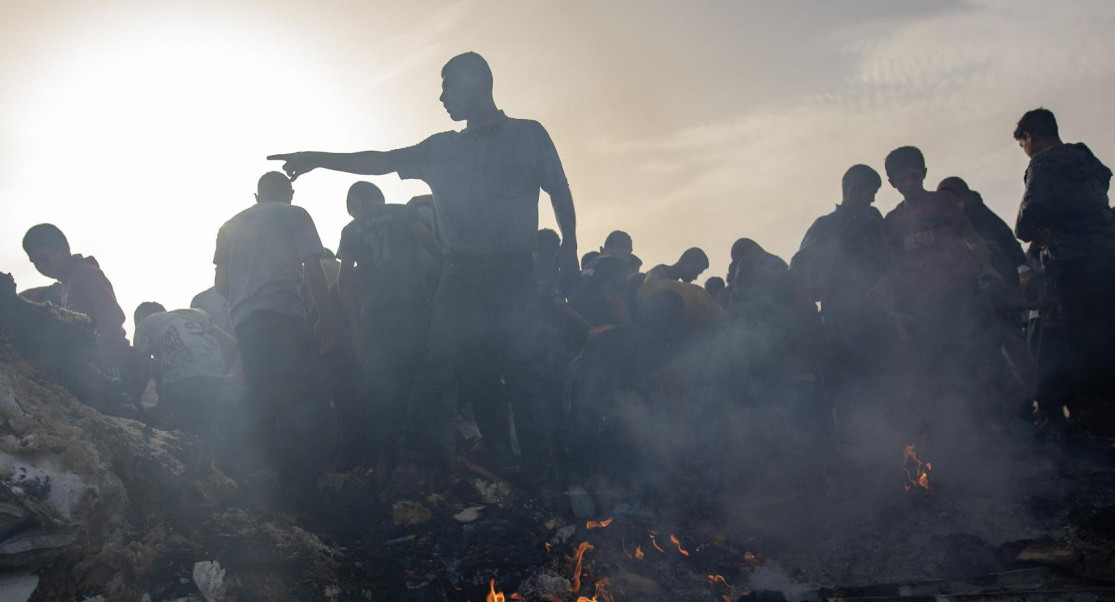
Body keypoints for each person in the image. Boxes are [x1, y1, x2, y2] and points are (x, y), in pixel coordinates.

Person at [268, 52, 577, 480]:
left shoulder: (528, 135)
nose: (441, 96)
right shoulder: (441, 149)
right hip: (461, 274)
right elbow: (379, 160)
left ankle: (541, 472)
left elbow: (559, 191)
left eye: (447, 85)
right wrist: (320, 157)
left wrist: (572, 247)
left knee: (523, 369)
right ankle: (503, 466)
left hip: (513, 272)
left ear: (475, 83)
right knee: (471, 369)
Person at [213, 171, 337, 485]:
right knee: (303, 393)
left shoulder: (230, 226)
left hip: (245, 321)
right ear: (290, 194)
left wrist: (245, 300)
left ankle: (265, 476)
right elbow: (314, 269)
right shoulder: (294, 214)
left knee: (260, 395)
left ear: (257, 196)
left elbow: (221, 284)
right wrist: (326, 318)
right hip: (284, 313)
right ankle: (307, 475)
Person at [1012, 108, 1115, 424]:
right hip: (1107, 256)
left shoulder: (1043, 164)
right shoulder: (1085, 158)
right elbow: (1103, 181)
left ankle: (1086, 419)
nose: (1025, 151)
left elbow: (1025, 226)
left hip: (1072, 265)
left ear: (1030, 136)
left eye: (1023, 144)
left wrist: (1051, 225)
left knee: (1073, 340)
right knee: (1105, 336)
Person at [336, 181, 442, 475]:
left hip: (375, 321)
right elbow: (432, 247)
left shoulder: (351, 231)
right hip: (411, 313)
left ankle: (380, 463)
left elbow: (343, 283)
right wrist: (439, 286)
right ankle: (419, 461)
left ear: (356, 204)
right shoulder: (402, 213)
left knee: (382, 391)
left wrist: (355, 330)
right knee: (417, 386)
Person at [881, 146, 1002, 401]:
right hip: (925, 303)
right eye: (901, 179)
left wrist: (987, 266)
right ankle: (956, 420)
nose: (909, 183)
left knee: (978, 354)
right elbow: (893, 263)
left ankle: (998, 417)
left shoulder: (943, 202)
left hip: (961, 291)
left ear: (924, 173)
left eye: (914, 176)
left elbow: (970, 236)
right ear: (892, 183)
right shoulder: (892, 220)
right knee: (941, 363)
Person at [791, 165, 891, 392]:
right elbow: (799, 266)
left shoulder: (873, 226)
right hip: (839, 321)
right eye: (870, 192)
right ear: (852, 189)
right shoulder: (825, 226)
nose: (872, 199)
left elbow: (888, 265)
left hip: (875, 318)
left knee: (882, 382)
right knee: (846, 386)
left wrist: (884, 285)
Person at [22, 224, 130, 372]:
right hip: (97, 364)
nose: (41, 266)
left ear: (63, 248)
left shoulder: (85, 273)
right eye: (35, 263)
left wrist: (90, 349)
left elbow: (114, 317)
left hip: (113, 363)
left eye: (45, 258)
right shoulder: (66, 284)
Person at [133, 302, 235, 431]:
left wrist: (133, 399)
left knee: (179, 430)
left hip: (180, 385)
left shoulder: (143, 325)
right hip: (215, 379)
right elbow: (231, 345)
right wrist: (223, 374)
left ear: (139, 318)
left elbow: (141, 372)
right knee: (212, 427)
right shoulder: (196, 313)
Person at [645, 247, 709, 283]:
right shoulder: (658, 273)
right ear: (684, 261)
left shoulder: (675, 284)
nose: (695, 277)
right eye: (694, 271)